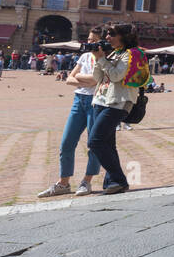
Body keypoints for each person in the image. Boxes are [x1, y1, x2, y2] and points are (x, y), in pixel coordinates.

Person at [37, 29, 104, 198]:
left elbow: (97, 80)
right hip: (78, 100)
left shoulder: (104, 59)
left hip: (95, 102)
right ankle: (63, 183)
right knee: (66, 143)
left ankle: (87, 181)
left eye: (93, 41)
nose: (89, 43)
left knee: (93, 144)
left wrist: (81, 78)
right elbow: (69, 79)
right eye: (88, 39)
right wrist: (86, 79)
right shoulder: (84, 57)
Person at [86, 23, 150, 194]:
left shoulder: (131, 54)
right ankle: (112, 183)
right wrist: (98, 58)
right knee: (108, 144)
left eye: (112, 34)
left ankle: (119, 180)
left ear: (124, 36)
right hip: (101, 100)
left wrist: (101, 59)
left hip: (118, 102)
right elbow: (97, 77)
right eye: (107, 34)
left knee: (95, 141)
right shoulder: (115, 53)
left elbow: (115, 76)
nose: (107, 37)